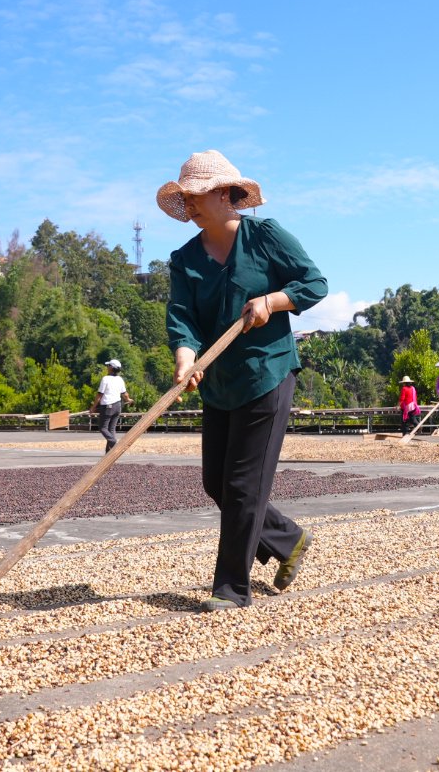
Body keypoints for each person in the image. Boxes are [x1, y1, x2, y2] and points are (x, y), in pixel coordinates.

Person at [160, 150, 328, 612]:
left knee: (241, 486)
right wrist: (185, 360)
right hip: (220, 382)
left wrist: (271, 302)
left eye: (194, 195)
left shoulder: (266, 237)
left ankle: (231, 588)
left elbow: (314, 283)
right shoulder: (186, 259)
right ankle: (288, 538)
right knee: (217, 482)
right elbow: (183, 320)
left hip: (267, 374)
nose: (189, 205)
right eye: (184, 197)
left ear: (222, 193)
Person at [89, 358, 130, 453]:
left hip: (107, 407)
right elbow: (125, 394)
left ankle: (113, 442)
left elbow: (99, 395)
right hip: (117, 406)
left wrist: (93, 407)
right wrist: (128, 400)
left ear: (111, 368)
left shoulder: (105, 379)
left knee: (103, 428)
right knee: (111, 429)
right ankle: (109, 452)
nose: (107, 367)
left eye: (108, 366)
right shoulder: (120, 379)